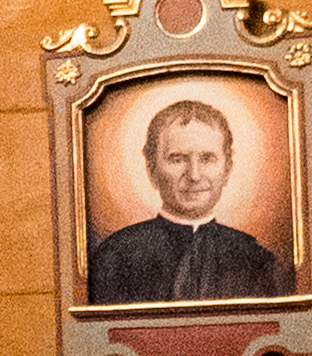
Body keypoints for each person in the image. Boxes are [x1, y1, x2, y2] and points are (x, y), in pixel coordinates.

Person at [84, 95, 288, 301]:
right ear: (152, 168)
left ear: (227, 167)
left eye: (207, 158)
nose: (194, 175)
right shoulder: (116, 257)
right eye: (178, 159)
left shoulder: (255, 259)